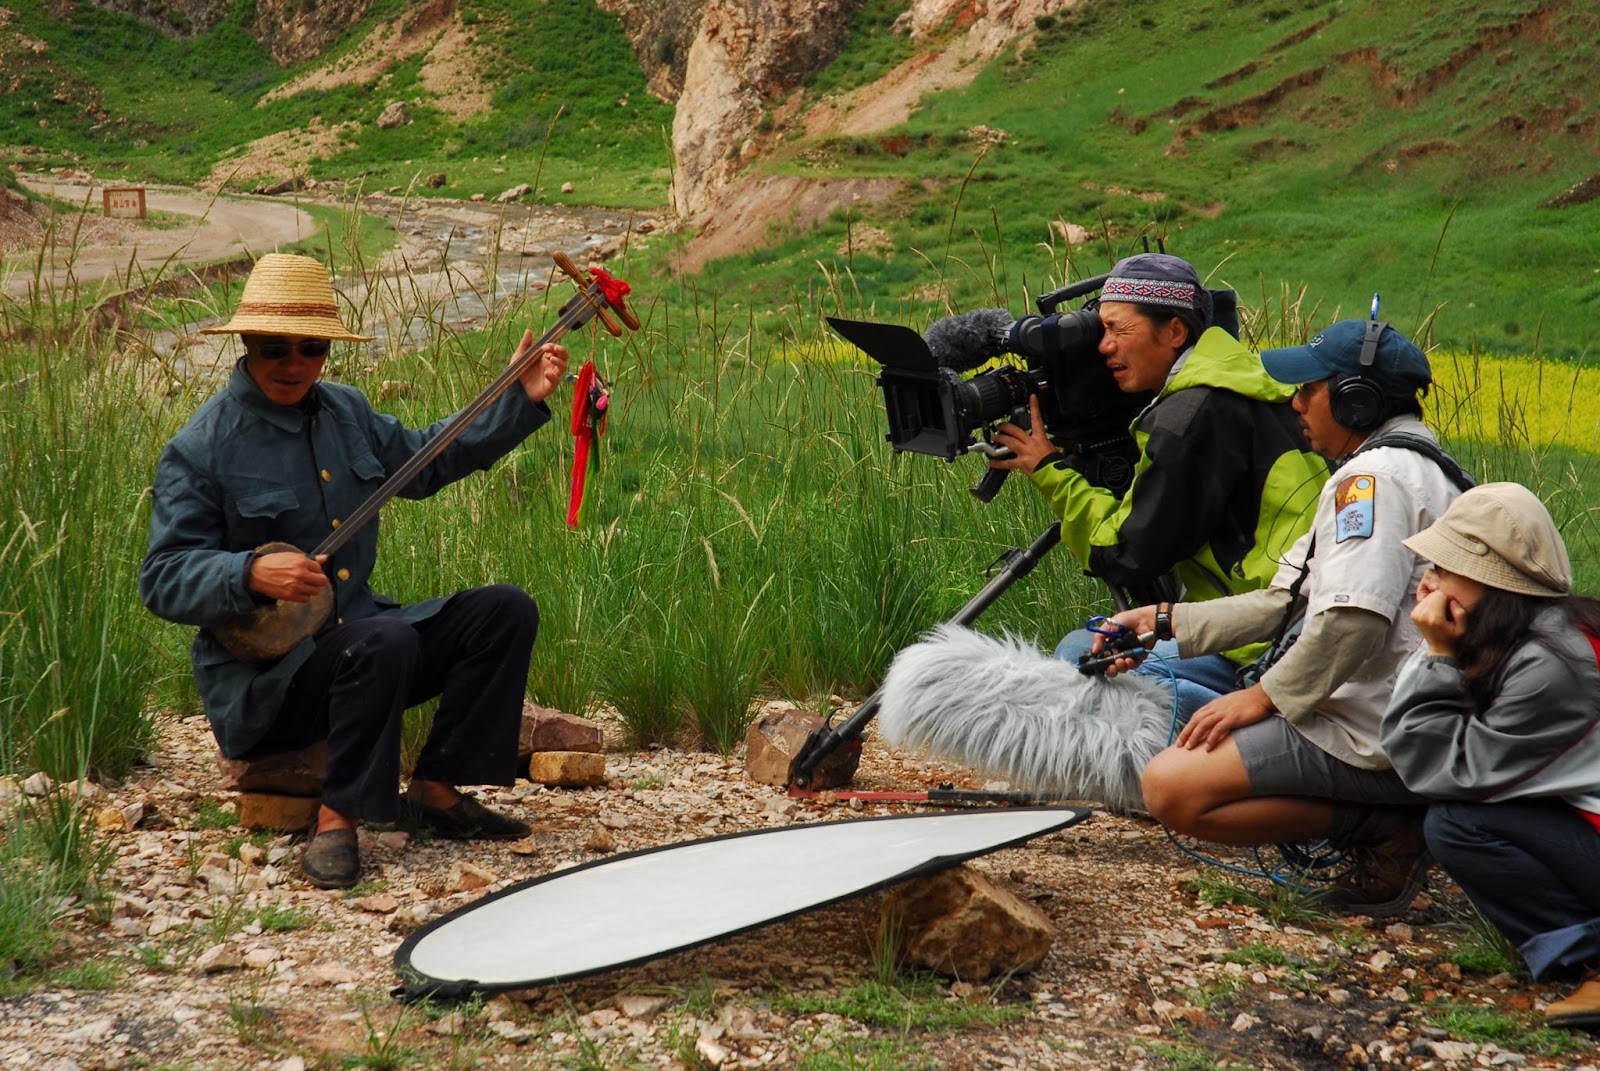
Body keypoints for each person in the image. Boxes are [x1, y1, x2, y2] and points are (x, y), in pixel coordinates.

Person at [140, 253, 569, 890]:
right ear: (247, 346)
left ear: (327, 351)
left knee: (504, 610)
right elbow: (163, 578)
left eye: (310, 348)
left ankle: (436, 788)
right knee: (384, 640)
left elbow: (425, 462)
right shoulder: (202, 447)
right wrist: (250, 572)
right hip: (272, 687)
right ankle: (337, 821)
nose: (292, 364)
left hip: (366, 646)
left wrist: (514, 397)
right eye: (273, 348)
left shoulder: (347, 411)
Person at [1099, 315, 1472, 916]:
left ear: (1356, 401)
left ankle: (1382, 825)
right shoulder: (1402, 465)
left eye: (1310, 389)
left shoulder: (1371, 479)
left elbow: (1354, 621)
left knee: (1172, 789)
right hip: (1392, 713)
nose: (1294, 402)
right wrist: (1162, 621)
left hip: (1378, 731)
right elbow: (1284, 600)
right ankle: (1386, 817)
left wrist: (1262, 697)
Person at [990, 253, 1327, 716]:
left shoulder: (1190, 415)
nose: (1103, 347)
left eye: (1116, 329)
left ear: (1173, 331)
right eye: (1099, 330)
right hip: (1297, 622)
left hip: (1261, 643)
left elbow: (1127, 553)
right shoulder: (1247, 380)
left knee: (1081, 656)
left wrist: (1050, 468)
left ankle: (1239, 733)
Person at [1380, 483, 1600, 1030]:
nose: (1428, 581)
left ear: (1491, 585)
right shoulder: (1540, 635)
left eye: (1444, 569)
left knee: (1459, 824)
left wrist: (1435, 653)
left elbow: (1437, 769)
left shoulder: (1548, 666)